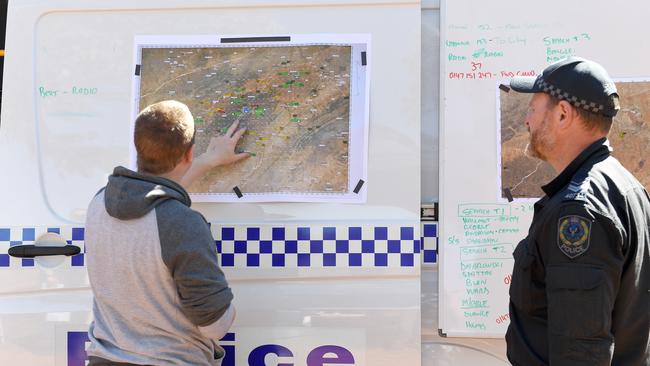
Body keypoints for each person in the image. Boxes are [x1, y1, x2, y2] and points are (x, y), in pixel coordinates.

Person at [505, 57, 650, 365]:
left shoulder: (579, 210)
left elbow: (580, 350)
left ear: (562, 114)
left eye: (532, 108)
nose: (527, 120)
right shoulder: (627, 186)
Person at [84, 100, 249, 365]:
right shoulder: (182, 223)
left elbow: (153, 195)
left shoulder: (100, 203)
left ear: (138, 147)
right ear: (188, 153)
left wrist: (207, 162)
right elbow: (215, 326)